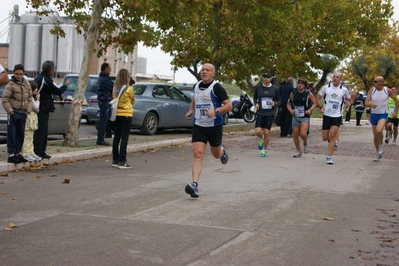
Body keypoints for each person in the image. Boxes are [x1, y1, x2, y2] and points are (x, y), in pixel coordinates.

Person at [184, 63, 232, 198]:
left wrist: (216, 111)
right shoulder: (197, 85)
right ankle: (194, 185)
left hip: (214, 126)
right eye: (203, 69)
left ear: (213, 73)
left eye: (207, 70)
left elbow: (229, 105)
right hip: (199, 125)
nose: (204, 72)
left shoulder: (217, 87)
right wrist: (191, 110)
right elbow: (195, 98)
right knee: (198, 154)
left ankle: (222, 151)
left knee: (216, 154)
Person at [33, 60, 69, 159]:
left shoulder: (39, 77)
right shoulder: (45, 79)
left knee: (41, 130)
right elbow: (57, 91)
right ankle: (39, 151)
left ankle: (39, 150)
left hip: (40, 107)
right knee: (41, 130)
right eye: (53, 69)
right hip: (42, 108)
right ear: (51, 70)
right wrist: (65, 85)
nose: (54, 70)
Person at [316, 71, 351, 165]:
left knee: (333, 134)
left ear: (340, 79)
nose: (335, 78)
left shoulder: (344, 90)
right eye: (334, 77)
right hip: (327, 114)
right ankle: (331, 141)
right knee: (324, 137)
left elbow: (349, 99)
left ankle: (329, 156)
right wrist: (321, 107)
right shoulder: (325, 88)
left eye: (337, 77)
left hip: (337, 115)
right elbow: (318, 98)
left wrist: (348, 104)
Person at [1, 64, 33, 164]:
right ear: (14, 74)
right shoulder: (10, 85)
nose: (19, 76)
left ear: (23, 73)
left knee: (20, 134)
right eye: (16, 74)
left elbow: (30, 98)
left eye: (20, 74)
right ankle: (11, 154)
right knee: (12, 133)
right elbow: (5, 99)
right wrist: (10, 111)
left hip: (23, 113)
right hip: (13, 112)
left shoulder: (26, 84)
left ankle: (17, 153)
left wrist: (27, 110)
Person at [365, 77, 398, 162]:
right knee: (375, 135)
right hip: (374, 114)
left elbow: (396, 100)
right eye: (373, 81)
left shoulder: (387, 90)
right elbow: (366, 102)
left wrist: (395, 111)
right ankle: (378, 153)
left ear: (381, 83)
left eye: (375, 81)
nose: (374, 83)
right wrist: (370, 105)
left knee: (379, 131)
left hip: (383, 114)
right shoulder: (372, 90)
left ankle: (381, 144)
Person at [111, 68, 135, 169]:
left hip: (116, 114)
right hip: (126, 114)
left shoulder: (114, 88)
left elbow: (114, 99)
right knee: (124, 138)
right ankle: (122, 160)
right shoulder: (129, 88)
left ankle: (115, 159)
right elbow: (132, 100)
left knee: (116, 137)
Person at [287, 77, 317, 157]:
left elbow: (315, 103)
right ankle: (298, 150)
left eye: (302, 83)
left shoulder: (308, 94)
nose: (299, 85)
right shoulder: (293, 93)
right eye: (298, 83)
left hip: (305, 116)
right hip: (296, 116)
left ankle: (305, 143)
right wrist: (291, 110)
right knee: (295, 133)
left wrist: (310, 110)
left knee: (303, 133)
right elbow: (288, 104)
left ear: (305, 85)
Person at [253, 72, 281, 157]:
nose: (266, 79)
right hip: (261, 112)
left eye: (267, 77)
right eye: (264, 77)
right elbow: (255, 97)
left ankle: (264, 150)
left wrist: (275, 103)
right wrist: (256, 103)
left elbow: (279, 100)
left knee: (266, 133)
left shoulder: (275, 89)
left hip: (269, 113)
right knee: (258, 131)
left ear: (271, 78)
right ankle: (261, 139)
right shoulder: (258, 87)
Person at [21, 81, 42, 162]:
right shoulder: (29, 98)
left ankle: (31, 151)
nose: (37, 90)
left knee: (31, 137)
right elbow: (36, 108)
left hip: (33, 120)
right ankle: (26, 152)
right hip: (29, 120)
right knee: (27, 136)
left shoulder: (31, 98)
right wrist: (38, 100)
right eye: (35, 88)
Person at [96, 63, 114, 146]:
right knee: (103, 121)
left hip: (102, 100)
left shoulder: (101, 77)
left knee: (103, 120)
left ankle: (101, 138)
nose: (110, 70)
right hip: (104, 100)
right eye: (109, 68)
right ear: (106, 69)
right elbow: (113, 87)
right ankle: (100, 139)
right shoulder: (106, 79)